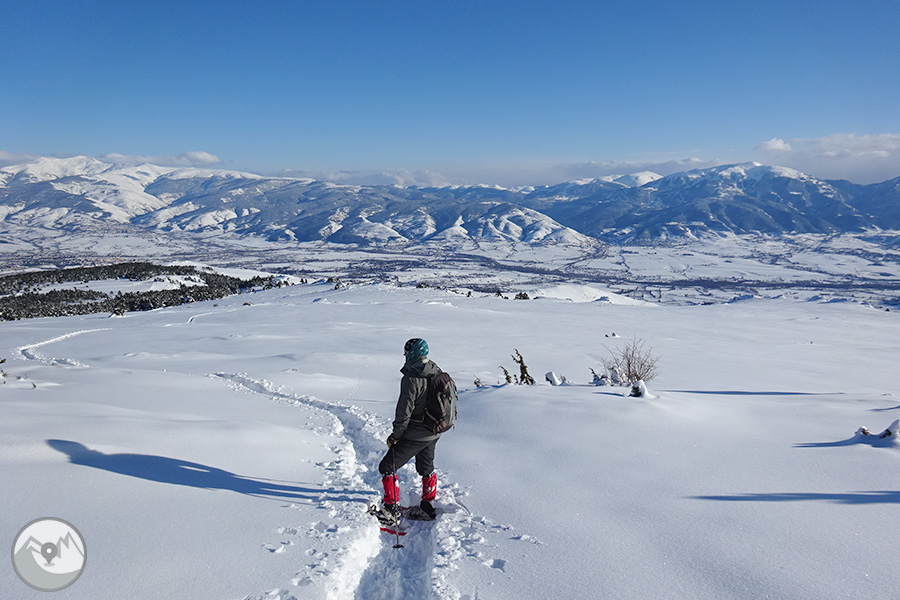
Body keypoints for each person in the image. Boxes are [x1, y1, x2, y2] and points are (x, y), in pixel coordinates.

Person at [378, 338, 442, 520]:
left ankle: (391, 510)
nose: (405, 356)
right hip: (434, 430)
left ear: (413, 353)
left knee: (387, 466)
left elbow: (403, 412)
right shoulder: (436, 370)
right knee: (426, 467)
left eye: (406, 352)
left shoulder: (411, 378)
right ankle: (428, 505)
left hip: (417, 433)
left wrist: (395, 436)